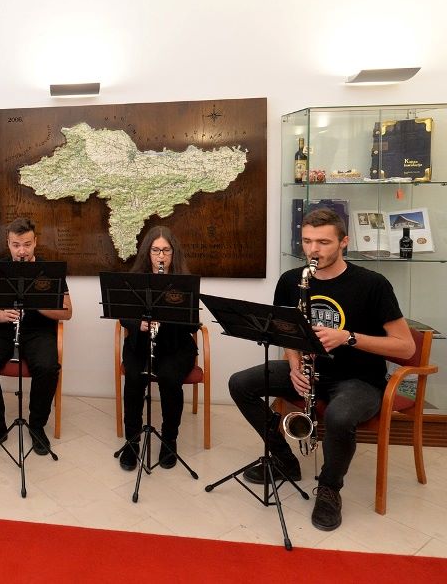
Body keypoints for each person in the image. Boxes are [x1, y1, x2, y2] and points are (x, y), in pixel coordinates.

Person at [228, 208, 414, 532]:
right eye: (307, 241)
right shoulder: (291, 280)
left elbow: (406, 347)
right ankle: (284, 459)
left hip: (358, 379)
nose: (313, 250)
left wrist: (348, 337)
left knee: (339, 416)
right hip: (308, 371)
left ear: (344, 242)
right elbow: (284, 333)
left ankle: (329, 488)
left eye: (324, 242)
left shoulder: (373, 284)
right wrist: (294, 365)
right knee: (240, 383)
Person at [0, 217, 72, 458]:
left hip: (40, 332)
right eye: (16, 245)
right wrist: (1, 315)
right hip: (4, 329)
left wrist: (37, 303)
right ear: (8, 243)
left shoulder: (49, 271)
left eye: (27, 244)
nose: (22, 251)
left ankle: (37, 426)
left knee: (48, 368)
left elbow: (67, 312)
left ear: (35, 242)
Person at [117, 226, 198, 472]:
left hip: (176, 346)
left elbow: (193, 324)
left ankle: (169, 440)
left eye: (166, 250)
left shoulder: (184, 282)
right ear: (147, 252)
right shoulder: (134, 280)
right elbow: (123, 315)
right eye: (155, 250)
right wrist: (140, 324)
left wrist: (169, 316)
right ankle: (132, 441)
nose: (161, 256)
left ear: (174, 253)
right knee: (133, 377)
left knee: (169, 378)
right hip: (140, 345)